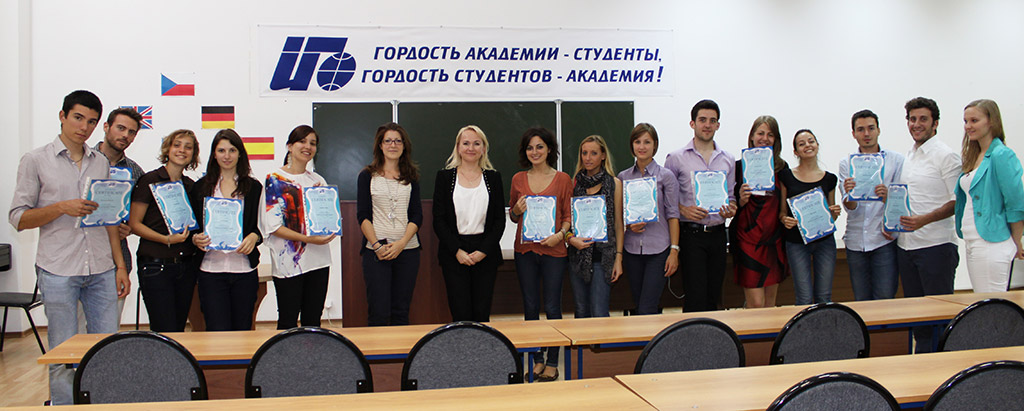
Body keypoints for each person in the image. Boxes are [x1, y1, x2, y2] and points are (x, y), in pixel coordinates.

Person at [9, 90, 130, 405]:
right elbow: (18, 218)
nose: (84, 127)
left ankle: (104, 404)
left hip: (102, 268)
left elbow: (108, 220)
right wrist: (61, 207)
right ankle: (63, 407)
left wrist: (119, 266)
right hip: (58, 268)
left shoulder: (100, 162)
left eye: (91, 121)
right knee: (63, 352)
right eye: (78, 118)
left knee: (107, 348)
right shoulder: (35, 160)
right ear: (62, 116)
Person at [509, 127, 572, 382]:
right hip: (525, 250)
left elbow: (568, 216)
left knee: (553, 306)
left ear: (549, 149)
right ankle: (536, 359)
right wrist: (516, 210)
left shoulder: (563, 179)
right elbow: (514, 216)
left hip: (554, 250)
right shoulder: (518, 179)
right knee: (531, 307)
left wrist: (561, 235)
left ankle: (553, 362)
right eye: (530, 148)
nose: (534, 152)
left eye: (539, 147)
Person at [898, 97, 960, 353]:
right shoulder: (909, 156)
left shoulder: (946, 156)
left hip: (936, 247)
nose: (916, 124)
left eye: (923, 119)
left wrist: (924, 220)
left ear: (935, 123)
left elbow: (957, 202)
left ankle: (943, 368)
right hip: (906, 247)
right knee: (918, 318)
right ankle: (922, 365)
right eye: (912, 119)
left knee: (939, 318)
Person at [664, 99, 736, 312]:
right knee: (695, 297)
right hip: (691, 235)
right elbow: (665, 199)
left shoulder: (728, 159)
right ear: (692, 123)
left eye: (712, 121)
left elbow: (731, 197)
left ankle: (713, 335)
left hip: (718, 235)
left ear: (718, 125)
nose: (707, 125)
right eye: (702, 120)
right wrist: (683, 209)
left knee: (714, 297)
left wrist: (731, 208)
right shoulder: (675, 158)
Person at [189, 129, 263, 331]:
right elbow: (192, 227)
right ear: (214, 154)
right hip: (211, 270)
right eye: (221, 150)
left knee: (243, 330)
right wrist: (195, 239)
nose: (227, 156)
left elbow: (262, 226)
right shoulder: (200, 188)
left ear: (240, 153)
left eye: (232, 150)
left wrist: (254, 236)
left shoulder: (254, 187)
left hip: (244, 270)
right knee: (216, 331)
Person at [263, 125, 336, 329]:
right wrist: (308, 239)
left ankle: (311, 352)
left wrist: (332, 223)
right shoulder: (274, 179)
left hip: (318, 261)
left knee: (313, 321)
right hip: (288, 262)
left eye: (312, 143)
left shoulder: (318, 180)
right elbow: (274, 226)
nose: (307, 147)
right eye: (302, 141)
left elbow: (326, 218)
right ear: (289, 146)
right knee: (288, 320)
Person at [79, 107, 145, 331]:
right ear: (106, 127)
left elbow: (140, 217)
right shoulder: (80, 160)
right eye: (121, 128)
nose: (125, 135)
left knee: (107, 333)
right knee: (74, 334)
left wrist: (130, 228)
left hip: (116, 262)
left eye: (131, 132)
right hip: (78, 258)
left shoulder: (135, 172)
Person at [129, 129, 201, 332]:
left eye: (188, 147)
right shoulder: (149, 180)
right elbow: (134, 223)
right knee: (164, 328)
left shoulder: (191, 186)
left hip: (186, 267)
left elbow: (194, 228)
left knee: (179, 328)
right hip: (156, 266)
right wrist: (166, 239)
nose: (182, 150)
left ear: (193, 154)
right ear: (167, 149)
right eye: (177, 145)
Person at [432, 125, 505, 323]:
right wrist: (457, 250)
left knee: (482, 313)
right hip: (454, 253)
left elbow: (499, 220)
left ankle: (481, 346)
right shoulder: (444, 177)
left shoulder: (493, 178)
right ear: (458, 147)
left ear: (484, 148)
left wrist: (483, 251)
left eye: (476, 143)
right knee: (460, 313)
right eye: (466, 143)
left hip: (485, 253)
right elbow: (439, 219)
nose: (471, 148)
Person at [955, 99, 1024, 293]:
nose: (968, 126)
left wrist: (1016, 241)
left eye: (974, 121)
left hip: (992, 241)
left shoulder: (1001, 154)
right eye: (966, 121)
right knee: (981, 301)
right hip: (972, 239)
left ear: (991, 121)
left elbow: (1016, 202)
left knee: (993, 303)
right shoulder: (973, 155)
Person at [357, 122, 422, 326]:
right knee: (378, 311)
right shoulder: (367, 176)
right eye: (388, 141)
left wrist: (402, 243)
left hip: (407, 250)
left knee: (401, 311)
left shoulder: (411, 177)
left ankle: (400, 348)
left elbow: (417, 216)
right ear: (380, 145)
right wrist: (376, 246)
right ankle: (377, 348)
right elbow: (363, 215)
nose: (393, 145)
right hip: (377, 251)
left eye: (398, 141)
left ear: (404, 146)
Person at [838, 110, 905, 301]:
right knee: (861, 300)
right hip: (855, 242)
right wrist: (849, 194)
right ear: (854, 134)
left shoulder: (896, 160)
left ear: (878, 130)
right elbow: (849, 206)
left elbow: (902, 201)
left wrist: (888, 197)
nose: (866, 134)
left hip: (883, 240)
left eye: (871, 128)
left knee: (885, 298)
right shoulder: (846, 163)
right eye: (861, 129)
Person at [619, 123, 680, 315]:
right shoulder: (623, 177)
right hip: (631, 249)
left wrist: (674, 251)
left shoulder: (666, 176)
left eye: (647, 142)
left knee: (648, 307)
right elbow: (619, 217)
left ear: (655, 145)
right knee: (638, 306)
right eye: (637, 142)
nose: (642, 146)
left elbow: (673, 214)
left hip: (659, 250)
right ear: (632, 145)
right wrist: (629, 225)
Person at [730, 115, 788, 308]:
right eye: (760, 133)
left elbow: (785, 205)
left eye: (770, 135)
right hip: (747, 240)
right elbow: (730, 204)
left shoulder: (782, 168)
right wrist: (741, 200)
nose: (765, 138)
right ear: (752, 136)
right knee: (756, 304)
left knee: (770, 304)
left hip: (774, 241)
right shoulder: (738, 167)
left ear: (776, 139)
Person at [779, 129, 841, 305]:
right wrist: (784, 220)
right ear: (795, 152)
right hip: (796, 243)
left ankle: (823, 325)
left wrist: (834, 213)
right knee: (804, 297)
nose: (807, 145)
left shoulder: (830, 179)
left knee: (824, 296)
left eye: (811, 141)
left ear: (817, 145)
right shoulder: (786, 176)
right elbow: (781, 212)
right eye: (802, 143)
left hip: (825, 242)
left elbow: (831, 217)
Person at [567, 135, 624, 318]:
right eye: (584, 153)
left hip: (603, 257)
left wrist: (618, 258)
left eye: (593, 153)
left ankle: (601, 340)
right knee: (581, 311)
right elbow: (566, 221)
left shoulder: (614, 184)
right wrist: (571, 239)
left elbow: (618, 224)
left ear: (603, 155)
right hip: (578, 257)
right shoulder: (573, 184)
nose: (588, 158)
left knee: (599, 311)